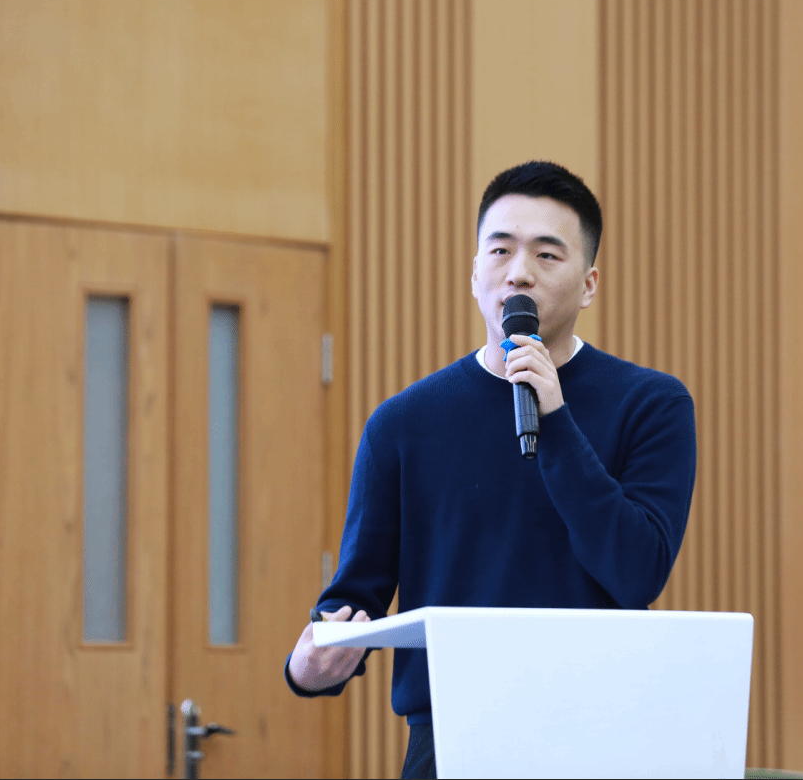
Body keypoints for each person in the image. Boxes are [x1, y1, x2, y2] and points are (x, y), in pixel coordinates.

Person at [284, 160, 697, 779]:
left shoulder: (651, 405)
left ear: (589, 284)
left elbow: (637, 572)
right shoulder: (404, 422)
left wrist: (556, 419)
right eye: (500, 250)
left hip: (598, 731)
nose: (518, 272)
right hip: (448, 737)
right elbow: (355, 596)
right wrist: (312, 663)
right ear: (475, 271)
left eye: (547, 255)